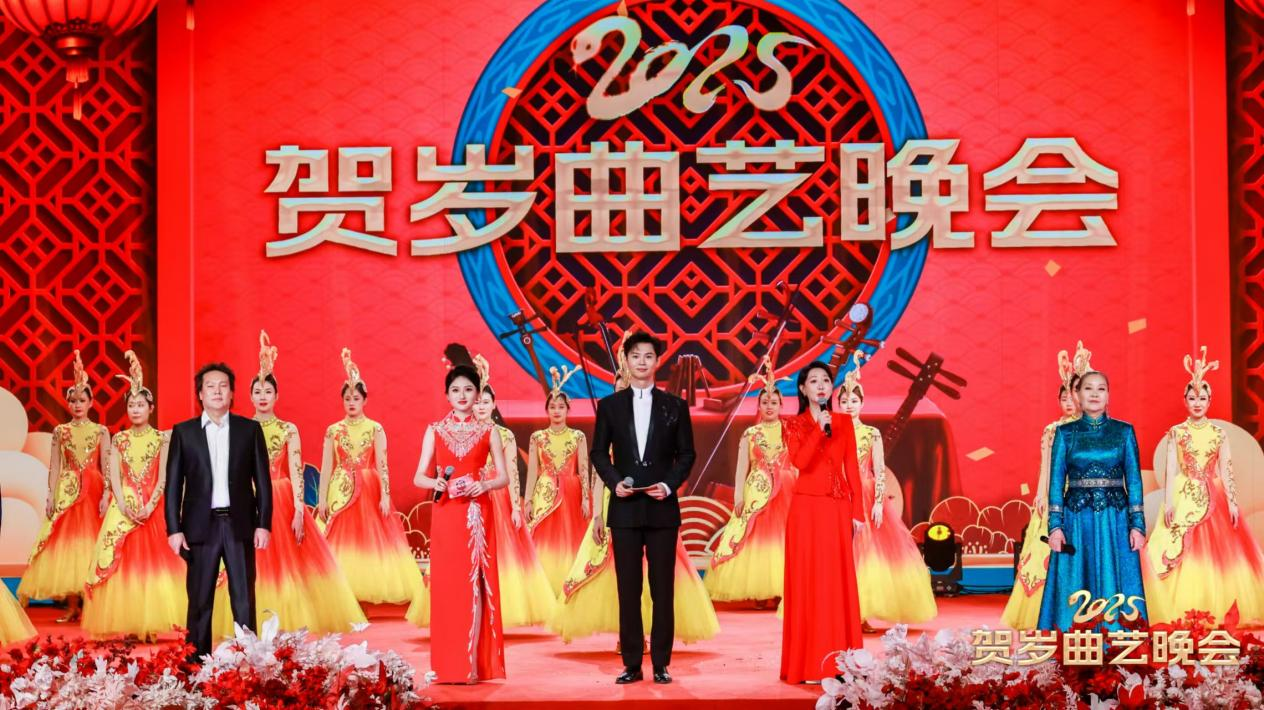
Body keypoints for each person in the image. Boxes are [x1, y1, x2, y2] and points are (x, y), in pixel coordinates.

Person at [553, 357, 717, 648]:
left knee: (655, 575)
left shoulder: (655, 418)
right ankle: (629, 636)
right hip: (617, 504)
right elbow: (600, 471)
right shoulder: (611, 419)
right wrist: (597, 515)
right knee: (621, 576)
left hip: (653, 505)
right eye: (620, 390)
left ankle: (655, 636)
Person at [223, 332, 365, 633]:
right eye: (257, 391)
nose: (263, 396)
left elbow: (296, 472)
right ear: (250, 397)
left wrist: (299, 511)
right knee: (251, 562)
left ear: (277, 396)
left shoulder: (289, 429)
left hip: (283, 499)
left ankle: (286, 618)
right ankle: (252, 618)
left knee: (287, 564)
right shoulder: (239, 429)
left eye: (268, 391)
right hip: (249, 501)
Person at [590, 331, 695, 685]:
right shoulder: (609, 406)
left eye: (648, 356)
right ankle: (632, 664)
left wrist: (668, 485)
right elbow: (598, 452)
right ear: (626, 360)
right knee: (628, 589)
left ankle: (661, 663)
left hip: (662, 508)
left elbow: (687, 454)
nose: (642, 362)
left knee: (663, 589)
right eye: (635, 355)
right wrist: (613, 482)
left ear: (657, 361)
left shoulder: (674, 406)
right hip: (624, 509)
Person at [1143, 347, 1264, 625]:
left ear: (1209, 401)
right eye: (1192, 398)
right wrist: (1169, 503)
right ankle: (1180, 608)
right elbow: (1171, 469)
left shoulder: (1218, 434)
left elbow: (1226, 470)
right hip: (1183, 493)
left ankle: (1215, 607)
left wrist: (1232, 503)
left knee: (1218, 550)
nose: (1197, 403)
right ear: (1185, 401)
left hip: (1213, 495)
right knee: (1177, 548)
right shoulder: (1177, 433)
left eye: (1202, 398)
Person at [165, 360, 272, 658]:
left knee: (244, 599)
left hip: (240, 525)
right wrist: (174, 529)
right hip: (200, 527)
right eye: (210, 386)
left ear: (232, 393)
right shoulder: (184, 432)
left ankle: (247, 660)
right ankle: (195, 662)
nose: (216, 391)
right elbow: (173, 484)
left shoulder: (249, 430)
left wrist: (264, 523)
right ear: (200, 394)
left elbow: (263, 481)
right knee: (199, 600)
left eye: (223, 386)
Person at [413, 363, 511, 683]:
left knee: (472, 584)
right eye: (455, 390)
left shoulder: (489, 431)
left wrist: (483, 485)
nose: (462, 395)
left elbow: (503, 476)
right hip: (445, 514)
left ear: (478, 394)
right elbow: (418, 476)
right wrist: (437, 483)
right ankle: (446, 665)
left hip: (475, 515)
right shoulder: (434, 430)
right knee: (446, 587)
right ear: (447, 395)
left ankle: (469, 666)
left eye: (468, 389)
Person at [82, 351, 186, 641]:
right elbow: (113, 475)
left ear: (151, 408)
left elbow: (164, 476)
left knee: (153, 565)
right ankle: (130, 621)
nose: (135, 409)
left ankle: (150, 624)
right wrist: (122, 502)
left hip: (153, 507)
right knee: (122, 564)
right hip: (124, 507)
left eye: (140, 404)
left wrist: (151, 505)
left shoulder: (161, 439)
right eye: (131, 405)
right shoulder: (120, 439)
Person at [316, 349, 427, 610]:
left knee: (368, 539)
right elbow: (326, 467)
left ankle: (364, 593)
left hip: (369, 489)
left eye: (356, 398)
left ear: (364, 400)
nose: (351, 402)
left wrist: (385, 495)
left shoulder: (375, 428)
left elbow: (383, 465)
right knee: (341, 540)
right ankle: (343, 596)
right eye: (347, 398)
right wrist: (322, 499)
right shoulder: (333, 430)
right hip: (340, 489)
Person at [1038, 368, 1147, 631]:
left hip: (1115, 519)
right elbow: (1056, 483)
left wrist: (1137, 525)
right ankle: (1072, 638)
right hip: (1077, 519)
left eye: (1101, 389)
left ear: (1108, 395)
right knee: (1075, 577)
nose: (1095, 394)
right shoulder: (1065, 433)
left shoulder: (1124, 432)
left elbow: (1133, 480)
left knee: (1116, 577)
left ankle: (1117, 637)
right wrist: (1055, 526)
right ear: (1077, 395)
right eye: (1088, 388)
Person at [779, 360, 863, 684]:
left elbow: (852, 468)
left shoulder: (844, 422)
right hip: (806, 511)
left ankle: (841, 663)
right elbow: (801, 461)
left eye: (825, 380)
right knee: (808, 583)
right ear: (803, 389)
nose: (821, 385)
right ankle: (807, 664)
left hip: (837, 508)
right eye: (813, 381)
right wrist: (818, 428)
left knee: (836, 584)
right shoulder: (793, 424)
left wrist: (857, 513)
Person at [841, 354, 936, 628]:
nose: (849, 405)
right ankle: (841, 614)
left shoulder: (871, 433)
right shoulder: (832, 433)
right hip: (840, 496)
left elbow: (879, 470)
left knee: (868, 553)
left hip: (866, 495)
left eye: (854, 401)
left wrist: (878, 501)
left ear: (862, 403)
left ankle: (862, 613)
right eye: (844, 401)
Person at [17, 350, 109, 622]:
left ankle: (91, 605)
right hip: (67, 492)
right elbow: (55, 466)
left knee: (92, 547)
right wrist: (50, 495)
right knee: (68, 550)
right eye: (73, 401)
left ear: (91, 402)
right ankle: (71, 605)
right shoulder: (61, 431)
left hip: (93, 491)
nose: (77, 405)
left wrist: (107, 494)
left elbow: (107, 466)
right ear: (68, 404)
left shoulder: (101, 431)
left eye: (82, 400)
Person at [1002, 343, 1086, 629]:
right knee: (1045, 553)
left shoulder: (1091, 428)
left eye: (1073, 396)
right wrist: (1041, 494)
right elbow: (1046, 466)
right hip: (1055, 496)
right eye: (1063, 398)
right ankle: (1045, 610)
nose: (1068, 402)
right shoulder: (1053, 430)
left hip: (1082, 496)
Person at [704, 356, 796, 605]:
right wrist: (738, 497)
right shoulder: (750, 434)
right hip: (756, 490)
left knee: (783, 538)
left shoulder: (790, 431)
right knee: (753, 536)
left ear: (781, 405)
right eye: (765, 402)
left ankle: (781, 590)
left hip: (786, 492)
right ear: (758, 405)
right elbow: (741, 468)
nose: (769, 407)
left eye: (774, 402)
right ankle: (759, 591)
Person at [472, 356, 555, 629]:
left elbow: (512, 473)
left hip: (497, 498)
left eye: (486, 402)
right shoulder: (464, 432)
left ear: (493, 405)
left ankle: (499, 606)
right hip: (471, 497)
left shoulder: (505, 435)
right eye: (477, 402)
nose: (481, 407)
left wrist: (516, 508)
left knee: (501, 552)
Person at [525, 366, 590, 594]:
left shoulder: (578, 436)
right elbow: (532, 472)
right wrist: (528, 500)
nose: (556, 411)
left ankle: (569, 586)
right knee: (544, 539)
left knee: (571, 538)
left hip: (572, 493)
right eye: (552, 407)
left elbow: (584, 469)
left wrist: (586, 498)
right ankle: (544, 590)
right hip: (545, 492)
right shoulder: (538, 437)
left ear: (568, 409)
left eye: (561, 406)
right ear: (546, 410)